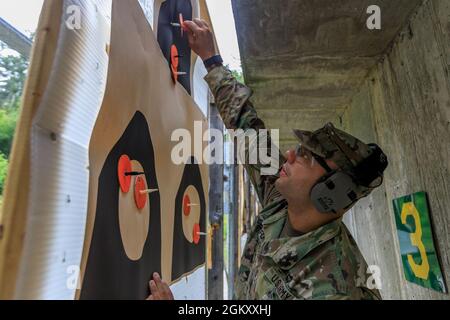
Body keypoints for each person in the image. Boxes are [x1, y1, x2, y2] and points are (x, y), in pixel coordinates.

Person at [147, 18, 388, 300]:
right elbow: (249, 131)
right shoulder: (281, 201)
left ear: (330, 192)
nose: (289, 155)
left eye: (307, 158)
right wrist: (212, 60)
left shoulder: (330, 290)